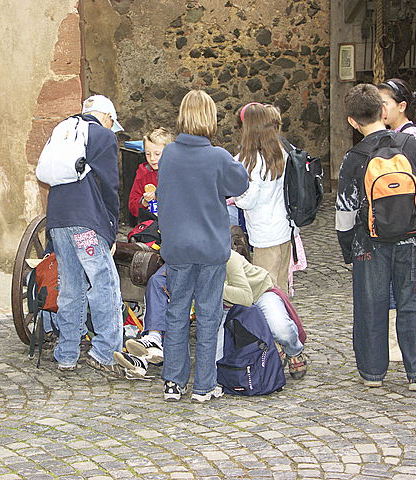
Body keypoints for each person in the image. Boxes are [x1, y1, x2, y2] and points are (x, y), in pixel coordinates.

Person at [336, 84, 416, 392]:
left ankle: (372, 373)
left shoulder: (354, 158)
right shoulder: (414, 146)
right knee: (414, 304)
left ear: (352, 121)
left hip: (368, 245)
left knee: (370, 307)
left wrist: (348, 252)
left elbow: (344, 213)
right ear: (383, 111)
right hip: (414, 241)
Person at [156, 89, 249, 403]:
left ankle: (173, 382)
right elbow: (240, 184)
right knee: (209, 316)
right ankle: (204, 385)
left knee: (177, 312)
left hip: (178, 247)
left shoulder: (169, 154)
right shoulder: (218, 156)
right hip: (210, 247)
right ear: (210, 118)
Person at [114, 250, 308, 381]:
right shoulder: (184, 265)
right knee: (214, 363)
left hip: (258, 293)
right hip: (223, 306)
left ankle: (294, 351)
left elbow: (246, 297)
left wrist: (207, 286)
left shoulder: (228, 257)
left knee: (282, 330)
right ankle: (147, 351)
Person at [45, 94, 125, 376]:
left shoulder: (63, 130)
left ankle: (67, 353)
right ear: (108, 118)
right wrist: (111, 227)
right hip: (87, 222)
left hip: (58, 220)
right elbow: (109, 186)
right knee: (104, 282)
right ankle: (106, 351)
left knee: (70, 286)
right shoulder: (103, 136)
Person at [377, 78, 416, 363]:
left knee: (407, 286)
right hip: (394, 222)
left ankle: (401, 344)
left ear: (401, 106)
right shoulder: (390, 134)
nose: (380, 109)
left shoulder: (411, 138)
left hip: (408, 224)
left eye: (384, 103)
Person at [233, 103, 292, 293]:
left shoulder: (250, 160)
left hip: (264, 233)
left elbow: (248, 200)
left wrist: (236, 198)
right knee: (281, 283)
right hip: (284, 228)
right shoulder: (280, 152)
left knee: (266, 289)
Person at [127, 127, 174, 222]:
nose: (152, 158)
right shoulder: (143, 173)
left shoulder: (177, 172)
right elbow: (132, 206)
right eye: (148, 154)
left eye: (157, 154)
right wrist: (144, 201)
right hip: (151, 223)